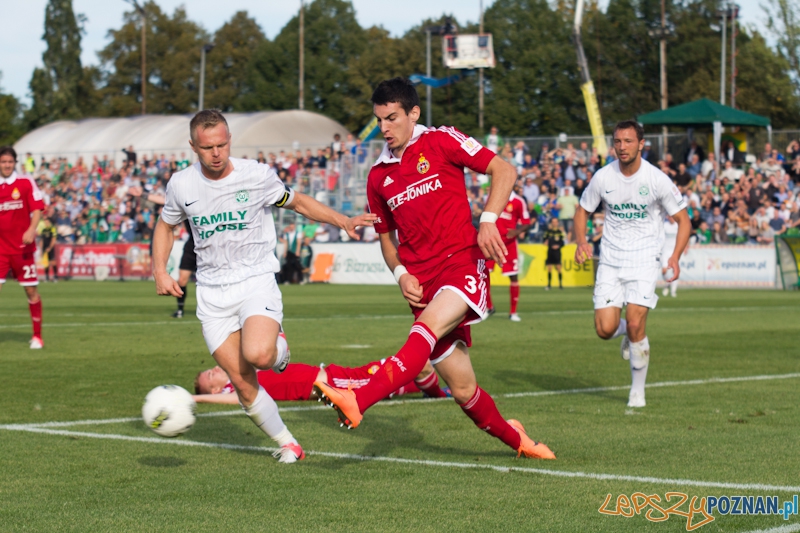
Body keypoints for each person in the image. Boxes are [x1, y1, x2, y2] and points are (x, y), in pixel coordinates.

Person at [312, 77, 555, 460]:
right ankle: (521, 442)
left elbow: (503, 170)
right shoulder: (378, 176)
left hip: (461, 263)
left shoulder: (443, 140)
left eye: (392, 118)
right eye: (379, 121)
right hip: (421, 282)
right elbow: (386, 240)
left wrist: (488, 219)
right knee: (463, 390)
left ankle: (358, 399)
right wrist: (400, 274)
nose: (385, 128)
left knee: (420, 335)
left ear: (414, 113)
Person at [152, 110, 374, 463]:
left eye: (222, 144)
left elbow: (298, 201)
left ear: (229, 141)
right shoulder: (181, 185)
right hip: (212, 293)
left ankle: (278, 348)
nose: (216, 153)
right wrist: (159, 271)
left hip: (255, 279)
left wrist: (342, 219)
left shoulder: (255, 176)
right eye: (208, 147)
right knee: (242, 383)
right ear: (193, 146)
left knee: (259, 356)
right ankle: (290, 444)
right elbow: (165, 226)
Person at [572, 120, 691, 408]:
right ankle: (627, 333)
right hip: (611, 259)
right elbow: (582, 210)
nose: (622, 147)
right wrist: (581, 241)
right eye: (618, 141)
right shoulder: (603, 177)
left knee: (638, 321)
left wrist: (674, 256)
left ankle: (637, 391)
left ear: (641, 144)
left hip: (644, 258)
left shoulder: (656, 179)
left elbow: (684, 220)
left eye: (628, 141)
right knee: (604, 329)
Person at [193, 359, 449, 404]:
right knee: (416, 365)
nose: (215, 368)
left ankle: (430, 390)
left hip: (334, 376)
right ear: (216, 389)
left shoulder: (242, 375)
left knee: (400, 376)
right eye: (211, 375)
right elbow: (235, 399)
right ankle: (437, 394)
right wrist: (196, 398)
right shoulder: (238, 389)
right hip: (336, 383)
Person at [0, 146, 45, 349]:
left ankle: (37, 336)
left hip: (22, 248)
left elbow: (37, 208)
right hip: (0, 250)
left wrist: (32, 229)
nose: (6, 165)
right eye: (3, 162)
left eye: (9, 162)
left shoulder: (25, 182)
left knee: (30, 291)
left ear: (14, 163)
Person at [485, 184, 532, 321]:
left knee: (513, 277)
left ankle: (513, 312)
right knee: (484, 273)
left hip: (509, 245)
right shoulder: (493, 198)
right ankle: (489, 307)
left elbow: (527, 222)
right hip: (492, 243)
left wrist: (517, 231)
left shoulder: (518, 201)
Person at [660, 214, 685, 298]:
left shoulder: (678, 226)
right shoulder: (665, 226)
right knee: (664, 271)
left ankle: (673, 291)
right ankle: (668, 283)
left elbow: (684, 235)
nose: (671, 218)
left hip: (675, 251)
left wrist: (685, 246)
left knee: (675, 271)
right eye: (669, 217)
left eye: (672, 217)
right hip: (665, 251)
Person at [543, 218, 565, 290]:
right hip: (550, 252)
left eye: (556, 222)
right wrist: (545, 242)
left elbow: (563, 243)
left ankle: (560, 285)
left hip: (557, 252)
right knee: (549, 268)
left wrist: (558, 246)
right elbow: (544, 240)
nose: (554, 223)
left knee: (559, 268)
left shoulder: (560, 232)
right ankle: (549, 285)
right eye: (553, 222)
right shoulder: (548, 232)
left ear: (558, 223)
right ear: (551, 223)